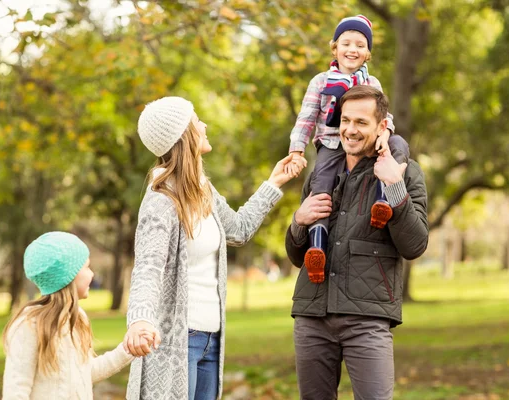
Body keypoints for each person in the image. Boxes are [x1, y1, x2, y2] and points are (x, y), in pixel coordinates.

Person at [123, 96, 306, 400]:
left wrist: (274, 182)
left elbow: (238, 229)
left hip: (212, 338)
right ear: (183, 135)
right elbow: (148, 265)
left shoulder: (202, 189)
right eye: (196, 120)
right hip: (176, 341)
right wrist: (140, 319)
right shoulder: (161, 200)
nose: (204, 124)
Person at [286, 85, 428, 400]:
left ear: (382, 127)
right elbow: (297, 256)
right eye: (345, 121)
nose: (350, 130)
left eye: (361, 123)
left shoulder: (405, 172)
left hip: (368, 318)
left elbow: (415, 245)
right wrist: (298, 221)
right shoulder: (321, 172)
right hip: (312, 315)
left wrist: (393, 187)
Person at [287, 14, 410, 284]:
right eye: (346, 43)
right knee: (321, 189)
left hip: (367, 144)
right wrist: (296, 150)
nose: (352, 50)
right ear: (335, 47)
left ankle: (382, 202)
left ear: (367, 54)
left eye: (360, 45)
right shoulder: (321, 82)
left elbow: (385, 117)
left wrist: (385, 134)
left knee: (398, 145)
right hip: (332, 144)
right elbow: (306, 118)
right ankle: (317, 247)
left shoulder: (371, 84)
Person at [2, 231, 155, 399]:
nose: (92, 274)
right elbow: (16, 390)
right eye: (86, 267)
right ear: (69, 275)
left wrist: (128, 350)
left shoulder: (77, 318)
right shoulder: (29, 325)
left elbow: (86, 373)